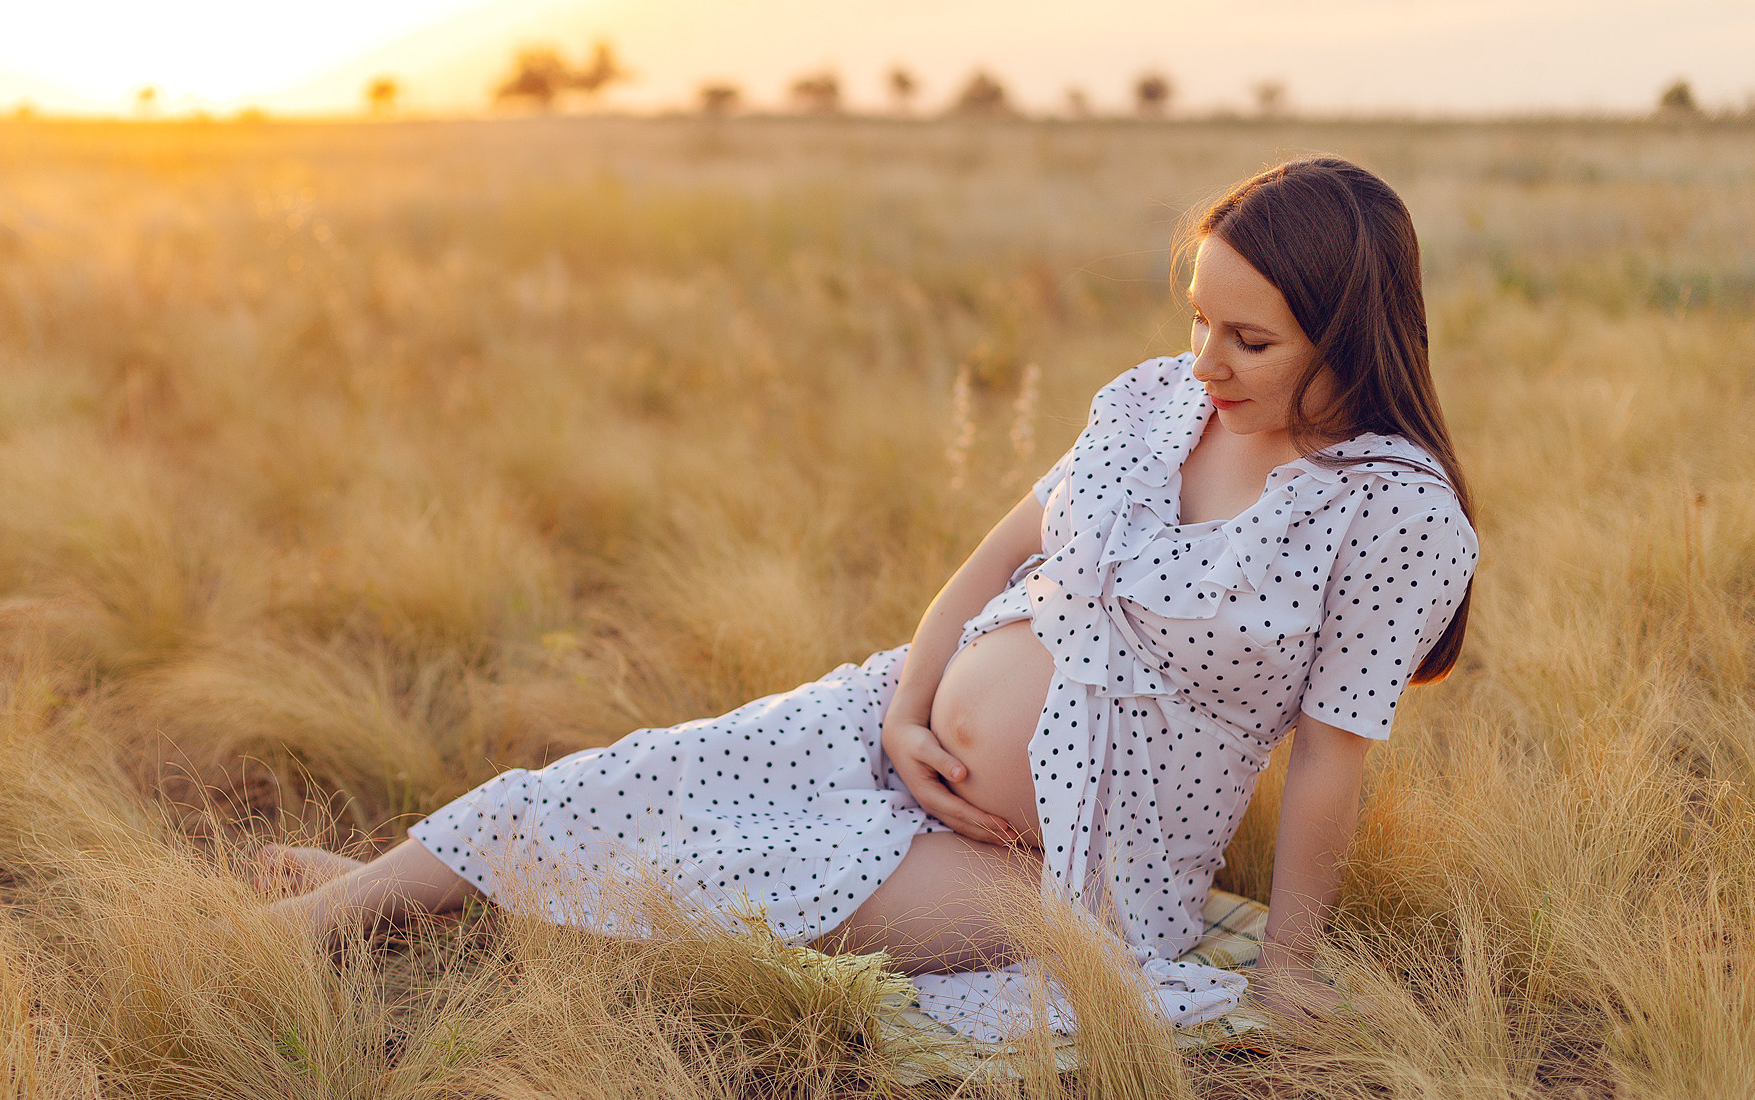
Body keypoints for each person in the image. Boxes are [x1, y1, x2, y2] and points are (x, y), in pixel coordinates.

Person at [262, 156, 1478, 1041]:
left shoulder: (1393, 517)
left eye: (1248, 341)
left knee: (722, 885)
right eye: (1196, 319)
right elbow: (1002, 549)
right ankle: (360, 900)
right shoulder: (1159, 398)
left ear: (1346, 332)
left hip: (1063, 865)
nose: (1205, 363)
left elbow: (1330, 755)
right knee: (631, 775)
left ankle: (410, 896)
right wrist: (905, 709)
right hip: (885, 727)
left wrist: (1285, 961)